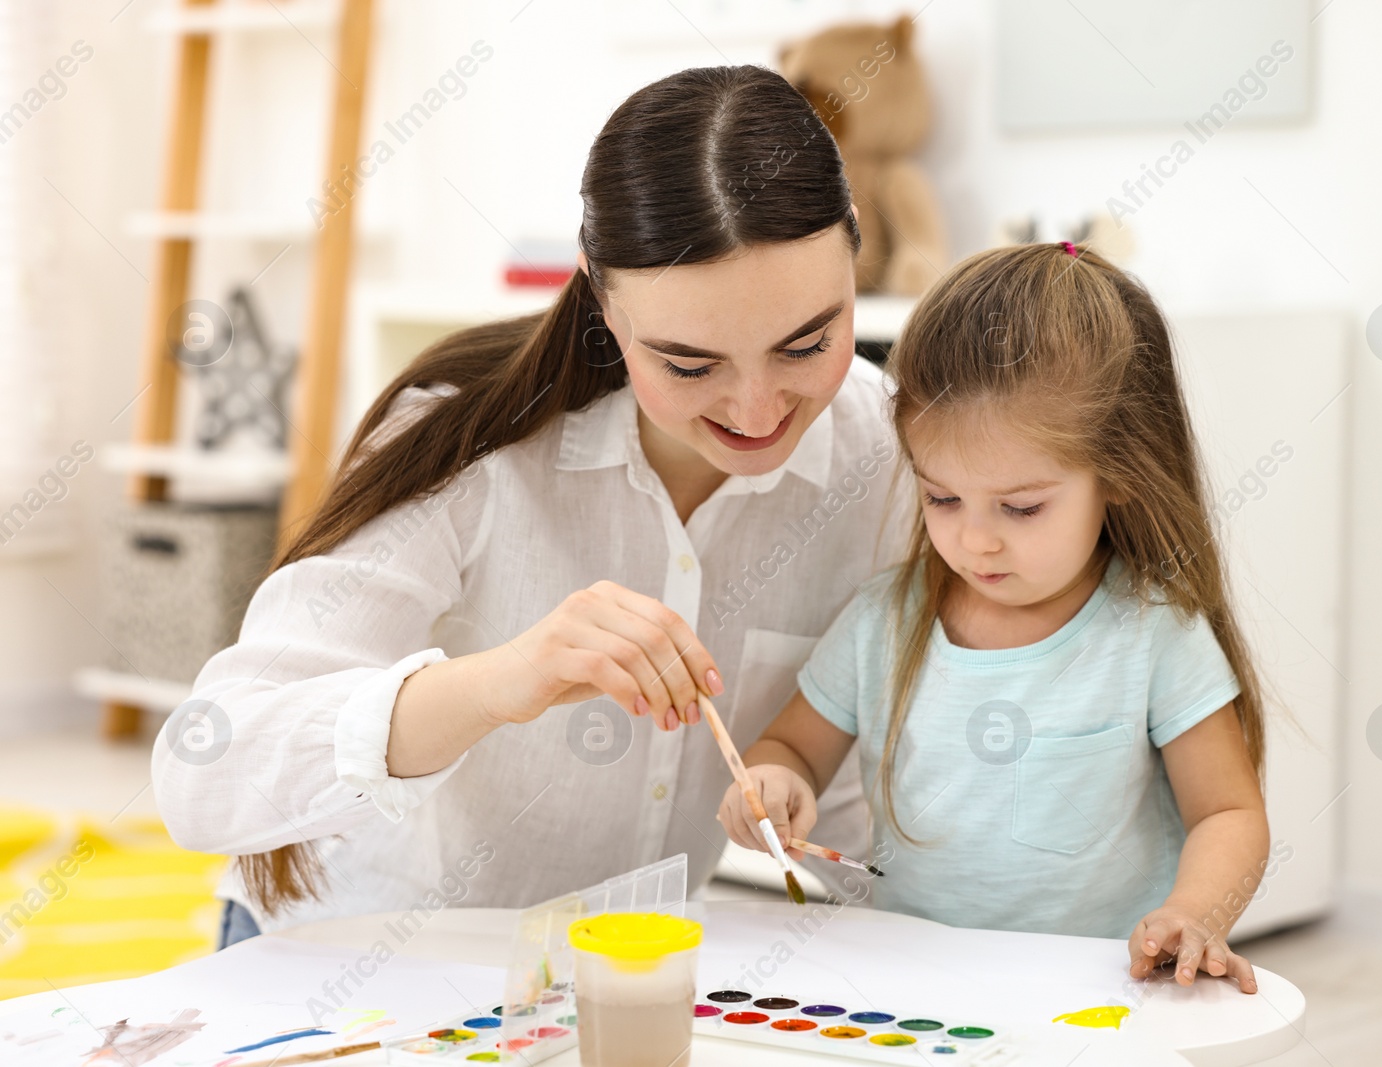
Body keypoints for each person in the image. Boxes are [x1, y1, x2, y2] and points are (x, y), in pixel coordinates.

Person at [152, 65, 907, 944]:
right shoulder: (466, 437)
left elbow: (862, 764)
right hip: (354, 961)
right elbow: (201, 771)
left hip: (607, 976)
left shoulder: (883, 454)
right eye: (689, 366)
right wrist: (503, 681)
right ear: (600, 297)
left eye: (806, 343)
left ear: (857, 255)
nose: (756, 410)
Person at [718, 241, 1272, 992]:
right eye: (941, 496)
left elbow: (1230, 813)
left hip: (1103, 999)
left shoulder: (1152, 631)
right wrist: (771, 783)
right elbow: (790, 745)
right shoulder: (883, 620)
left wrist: (1196, 913)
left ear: (1117, 474)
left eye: (1020, 506)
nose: (974, 538)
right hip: (919, 994)